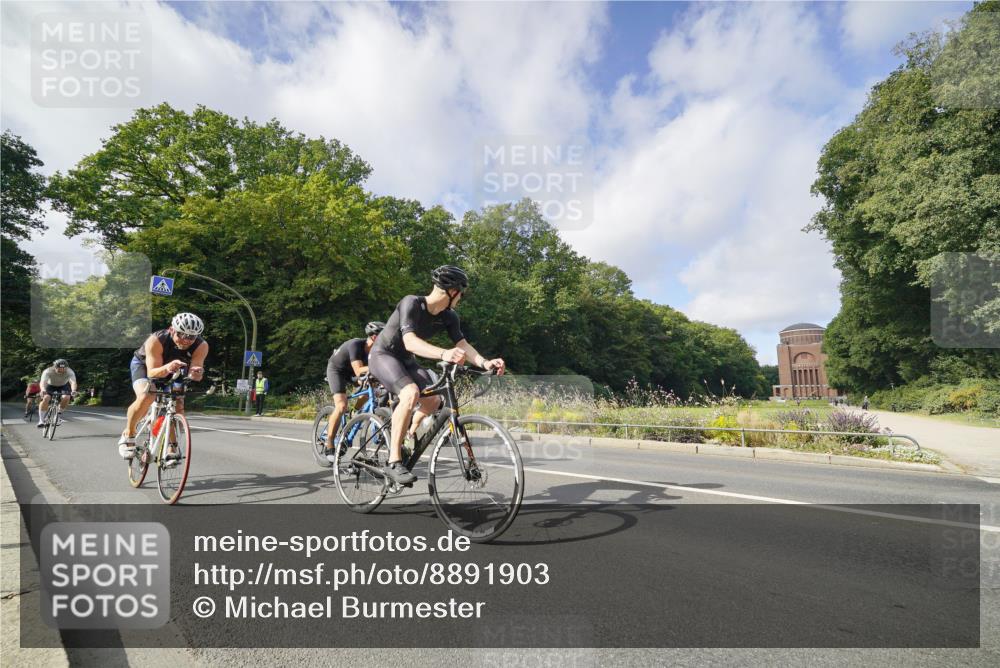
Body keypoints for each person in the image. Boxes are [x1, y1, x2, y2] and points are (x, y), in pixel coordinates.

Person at [369, 266, 504, 486]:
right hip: (383, 355)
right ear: (452, 291)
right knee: (410, 393)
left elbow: (462, 344)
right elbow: (409, 342)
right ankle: (394, 460)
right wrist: (444, 353)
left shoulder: (449, 317)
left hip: (406, 361)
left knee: (433, 401)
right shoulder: (411, 303)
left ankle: (406, 434)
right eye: (461, 293)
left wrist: (485, 362)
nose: (461, 298)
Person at [119, 313, 208, 460]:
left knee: (178, 403)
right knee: (148, 394)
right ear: (172, 330)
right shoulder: (156, 340)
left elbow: (196, 371)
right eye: (182, 334)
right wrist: (167, 368)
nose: (186, 340)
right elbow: (152, 372)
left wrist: (196, 373)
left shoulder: (201, 345)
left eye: (191, 337)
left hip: (175, 369)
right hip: (145, 366)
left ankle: (171, 446)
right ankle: (128, 435)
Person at [322, 321, 385, 463]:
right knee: (341, 405)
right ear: (374, 337)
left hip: (352, 373)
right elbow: (358, 370)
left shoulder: (377, 351)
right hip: (337, 370)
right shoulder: (355, 345)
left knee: (372, 390)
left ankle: (355, 412)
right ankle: (330, 443)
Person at [36, 360, 78, 427]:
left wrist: (73, 390)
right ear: (54, 367)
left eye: (63, 368)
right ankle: (41, 420)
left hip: (63, 386)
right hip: (50, 385)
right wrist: (43, 390)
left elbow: (73, 382)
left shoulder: (70, 371)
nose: (61, 370)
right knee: (46, 398)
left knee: (67, 397)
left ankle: (58, 414)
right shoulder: (48, 371)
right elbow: (43, 382)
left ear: (66, 367)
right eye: (59, 368)